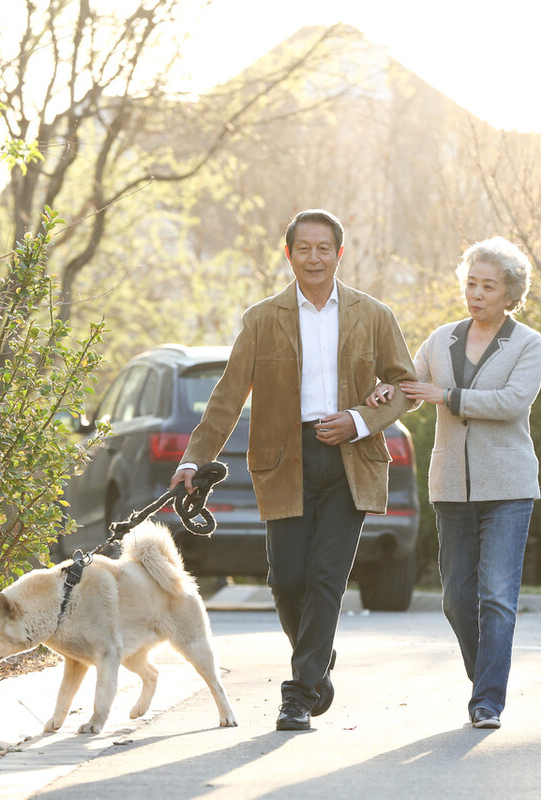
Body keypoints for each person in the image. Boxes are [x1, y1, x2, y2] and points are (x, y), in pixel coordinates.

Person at [171, 208, 415, 732]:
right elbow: (228, 395)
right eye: (303, 248)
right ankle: (317, 658)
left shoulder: (374, 314)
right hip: (284, 460)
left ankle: (298, 695)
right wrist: (195, 456)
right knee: (286, 580)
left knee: (327, 577)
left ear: (339, 254)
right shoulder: (263, 318)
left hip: (350, 457)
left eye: (324, 248)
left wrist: (358, 420)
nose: (314, 257)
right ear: (288, 254)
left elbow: (404, 385)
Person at [368, 235, 541, 729]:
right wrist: (385, 392)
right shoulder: (442, 338)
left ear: (510, 293)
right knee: (457, 600)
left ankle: (487, 700)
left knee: (497, 597)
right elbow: (411, 387)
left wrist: (445, 395)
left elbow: (512, 402)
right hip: (451, 486)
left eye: (488, 286)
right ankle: (485, 676)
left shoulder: (528, 343)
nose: (477, 293)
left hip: (508, 487)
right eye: (471, 283)